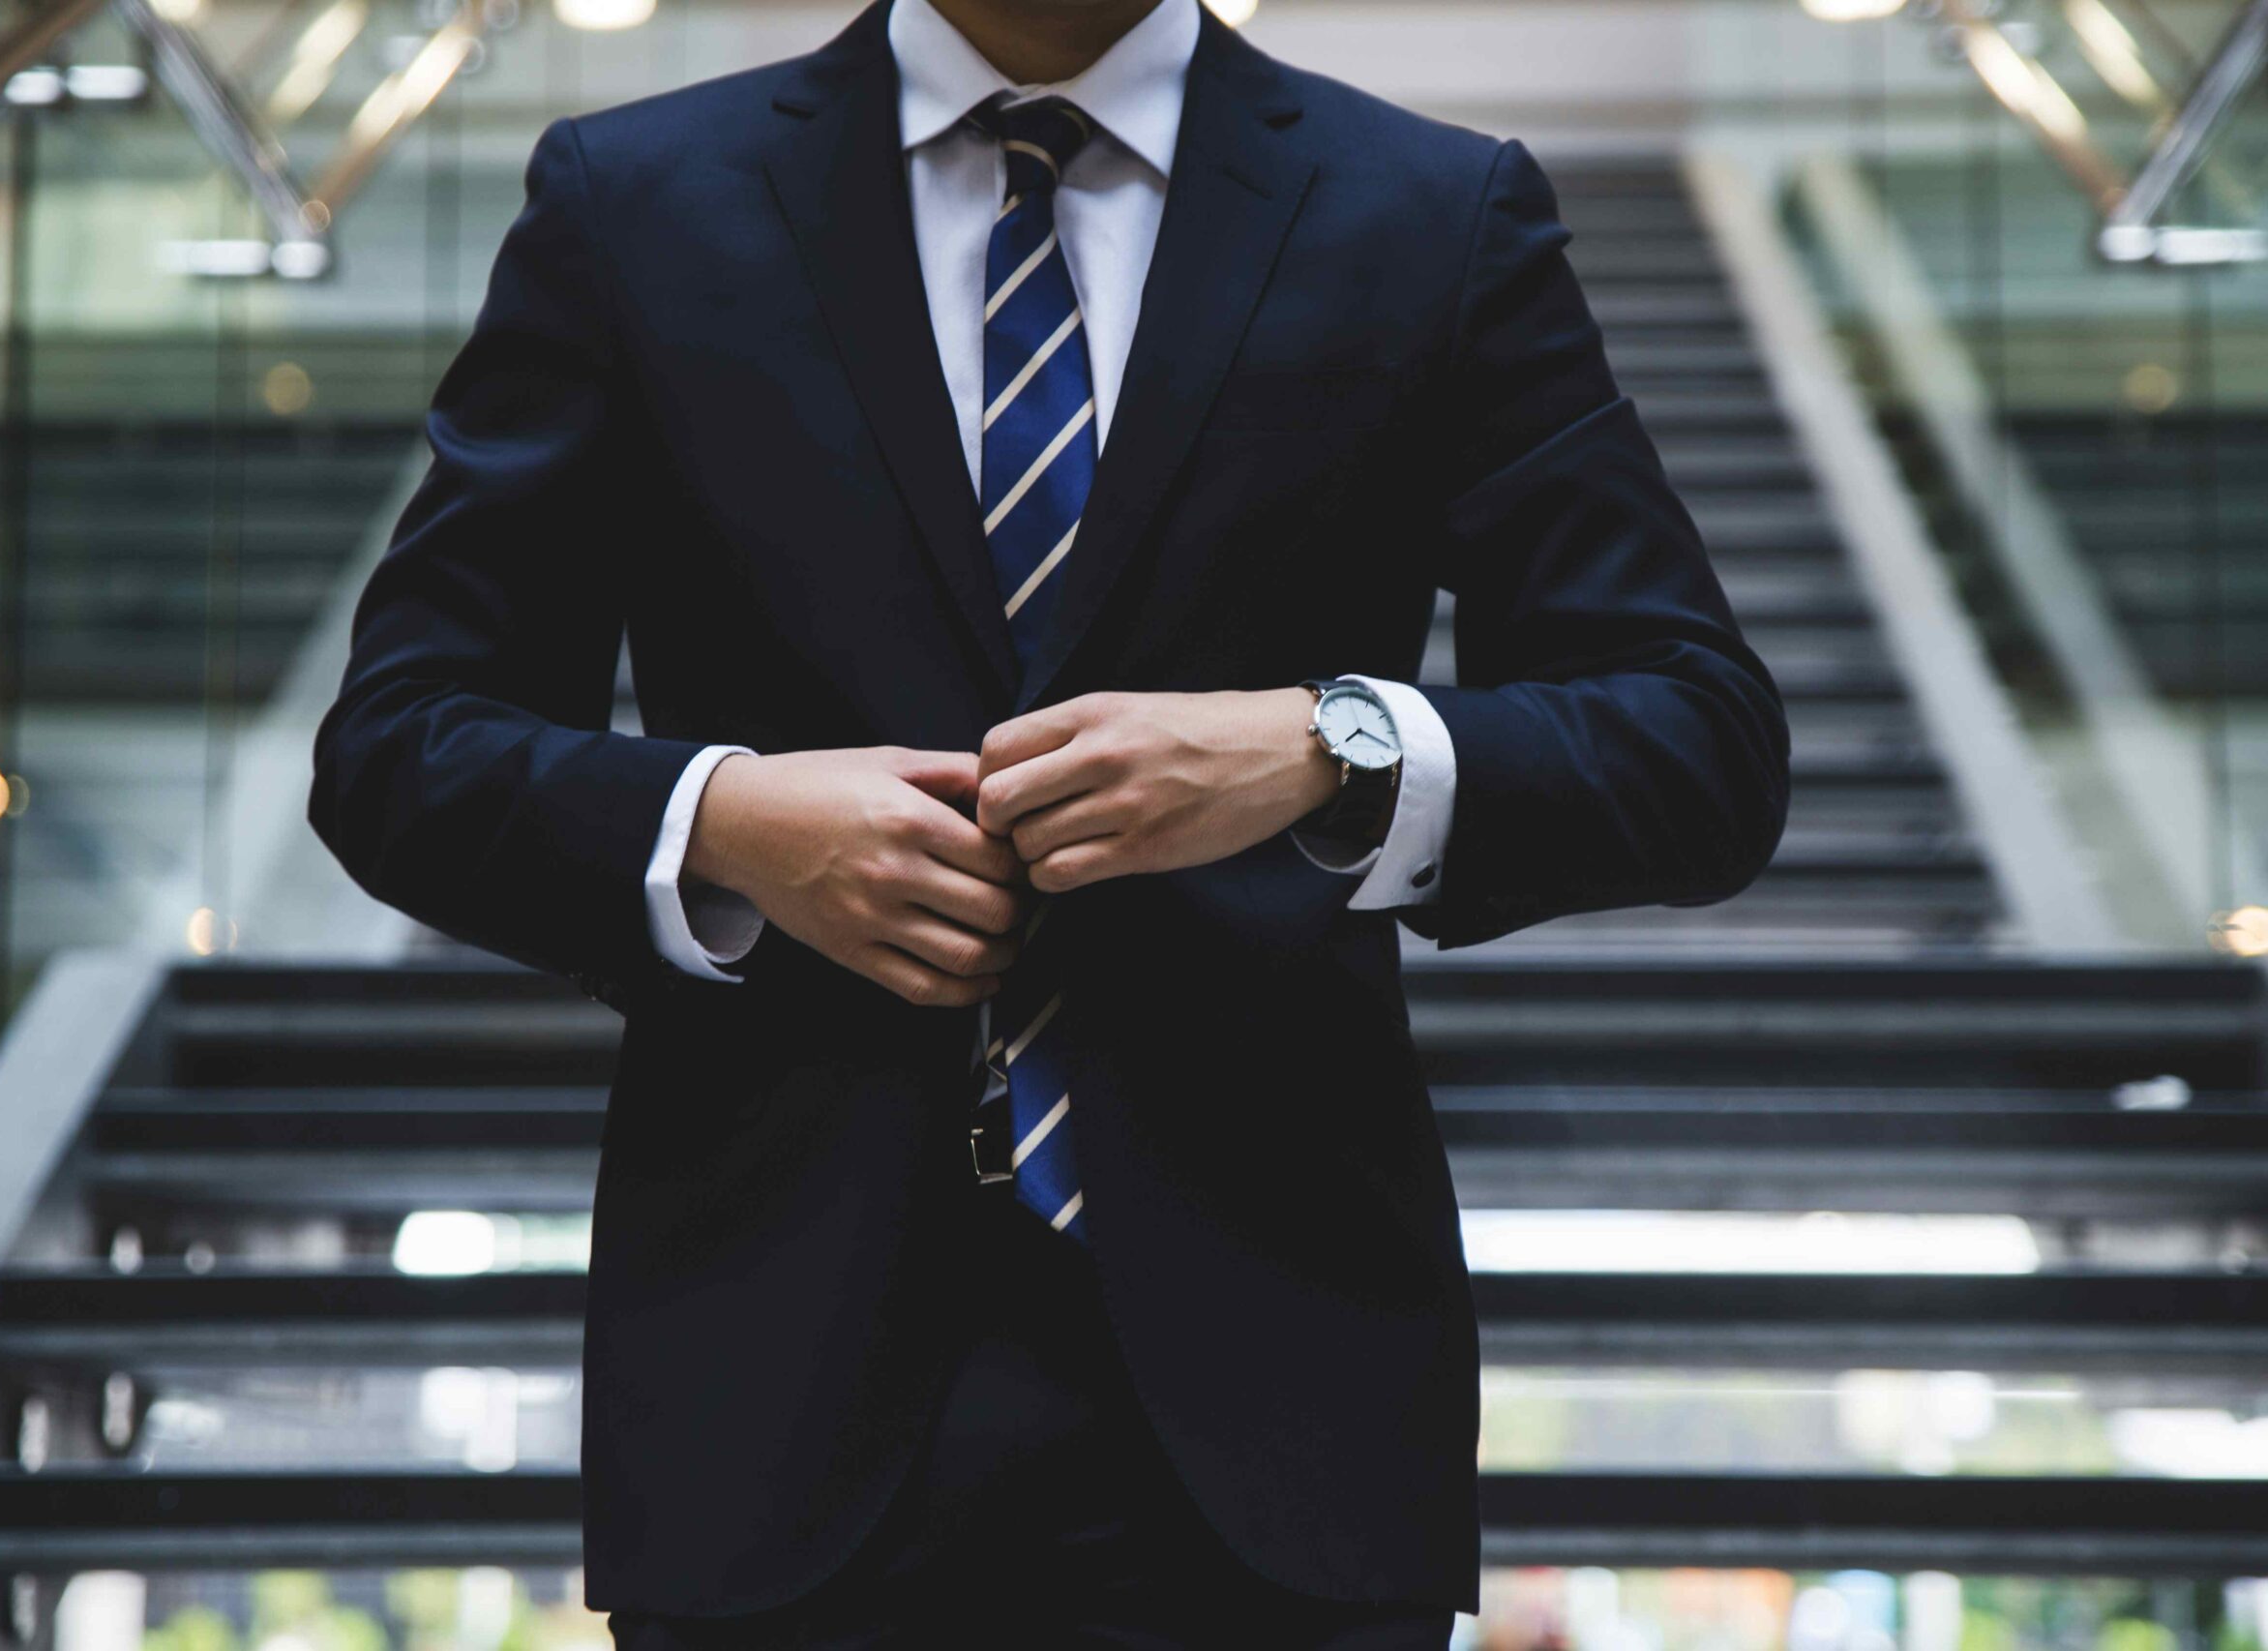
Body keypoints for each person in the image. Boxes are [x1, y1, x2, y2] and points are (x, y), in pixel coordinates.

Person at [308, 0, 1789, 1637]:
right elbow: (397, 743)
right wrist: (721, 818)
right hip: (774, 1401)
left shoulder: (1431, 209)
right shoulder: (636, 199)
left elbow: (1698, 738)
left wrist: (1329, 744)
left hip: (1281, 1416)